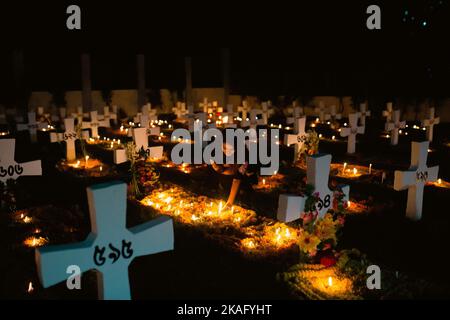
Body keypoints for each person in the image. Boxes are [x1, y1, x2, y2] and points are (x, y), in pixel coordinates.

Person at [210, 142, 257, 208]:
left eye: (231, 149)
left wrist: (229, 203)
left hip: (241, 191)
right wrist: (220, 168)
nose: (226, 152)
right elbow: (216, 168)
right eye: (224, 148)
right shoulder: (215, 152)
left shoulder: (244, 158)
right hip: (223, 188)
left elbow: (237, 178)